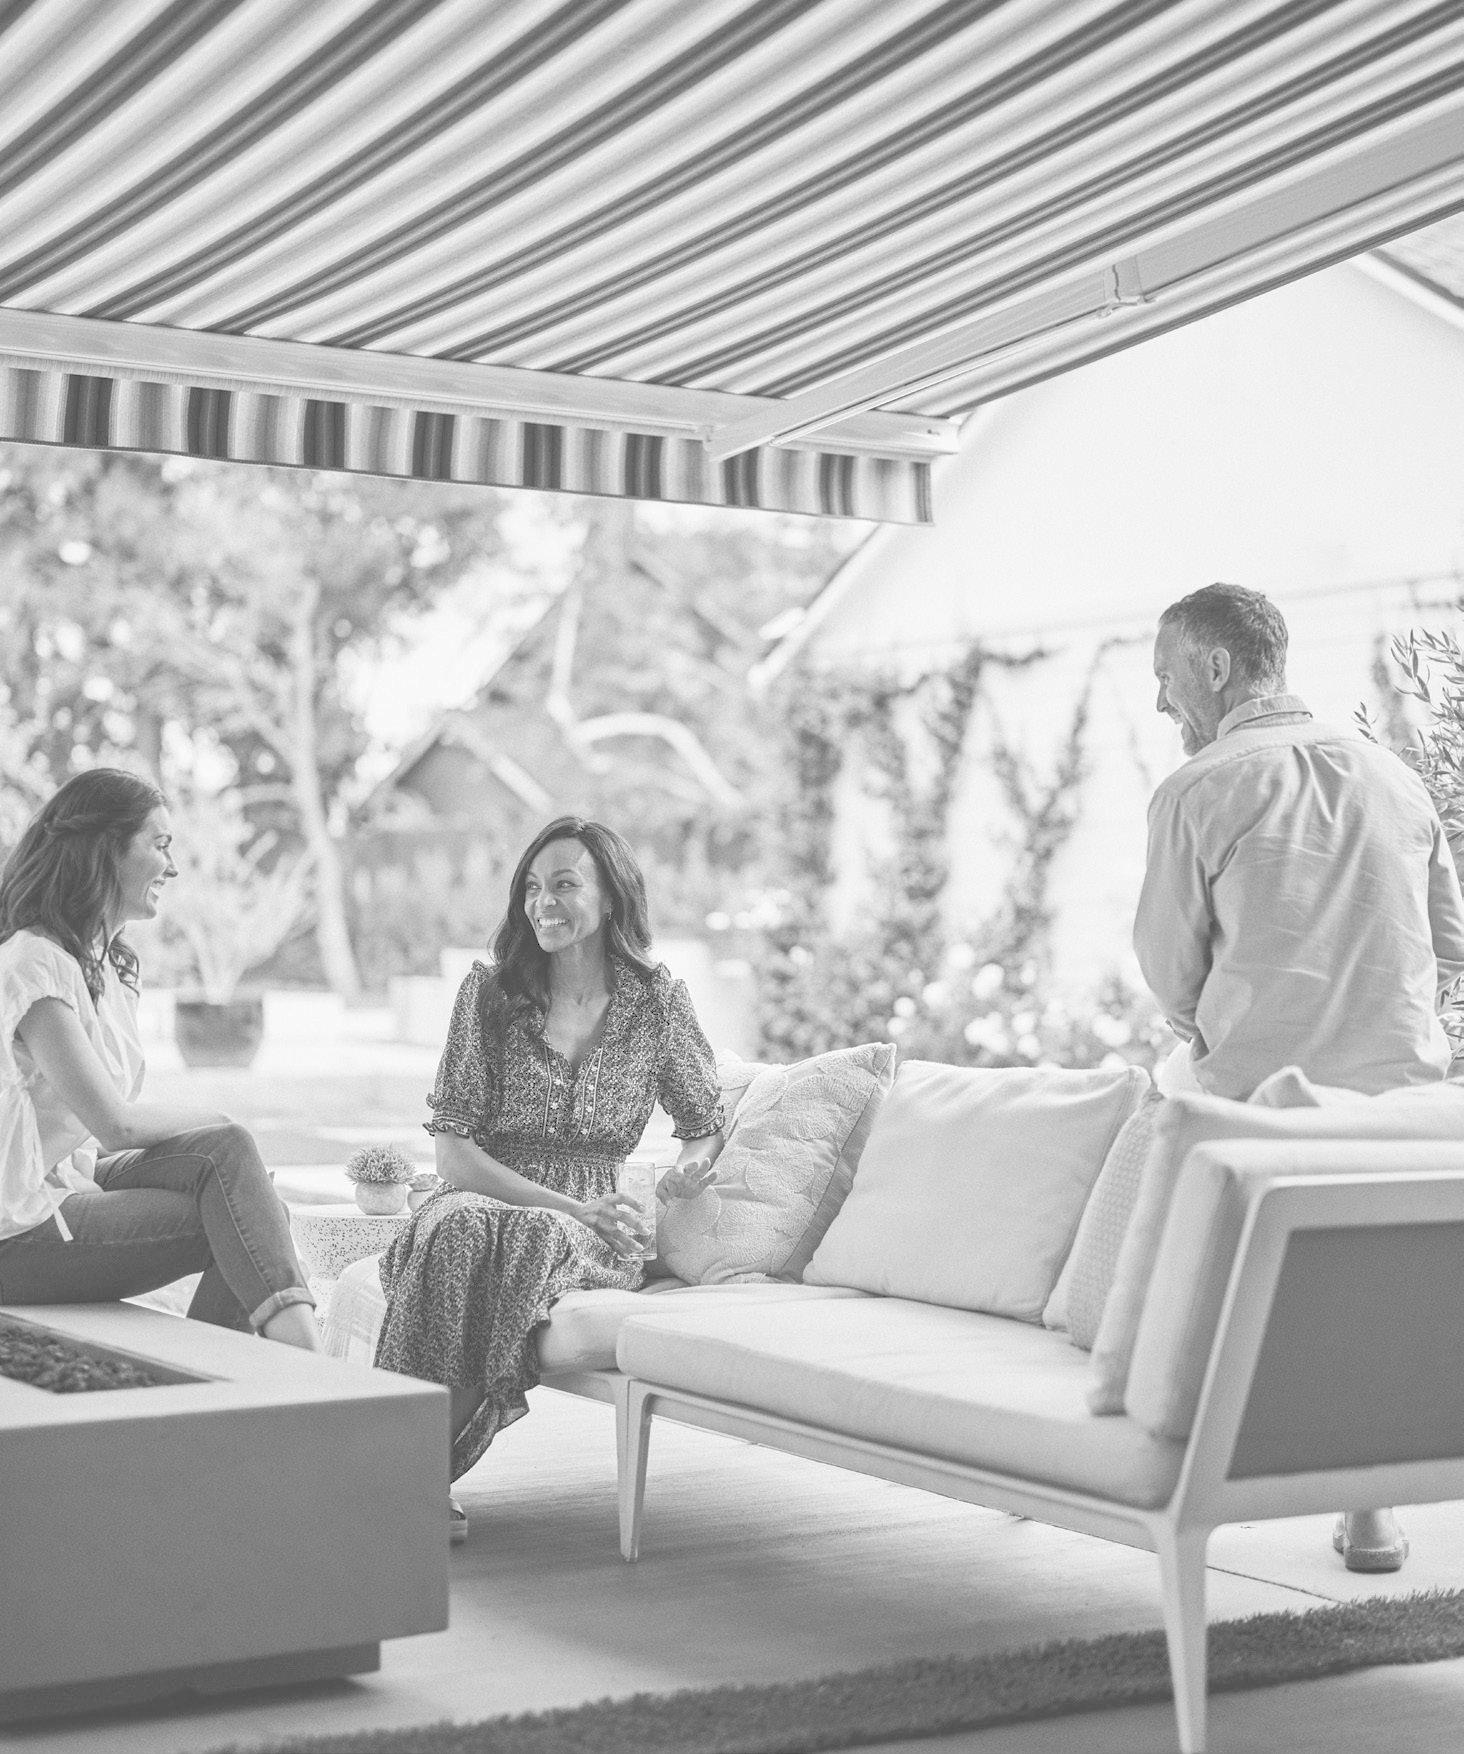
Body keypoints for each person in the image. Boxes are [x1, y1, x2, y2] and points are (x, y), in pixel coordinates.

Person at [1136, 581, 1464, 1575]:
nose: (1162, 701)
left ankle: (1145, 1447)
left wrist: (1220, 1028)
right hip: (1400, 1108)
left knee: (1156, 1146)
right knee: (1370, 1288)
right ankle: (1370, 1512)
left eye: (1166, 676)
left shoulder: (1196, 788)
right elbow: (1450, 944)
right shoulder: (1394, 778)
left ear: (1217, 666)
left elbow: (1169, 972)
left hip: (1262, 1107)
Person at [374, 817, 725, 1539]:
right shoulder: (489, 993)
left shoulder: (657, 1003)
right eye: (532, 888)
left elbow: (703, 1124)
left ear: (611, 896)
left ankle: (402, 1476)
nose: (543, 903)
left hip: (594, 1226)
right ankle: (398, 1466)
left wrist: (688, 1172)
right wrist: (569, 1206)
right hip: (483, 1193)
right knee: (459, 1229)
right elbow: (453, 1156)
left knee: (530, 1236)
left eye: (564, 884)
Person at [0, 768, 322, 1352]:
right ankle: (297, 1364)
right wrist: (221, 1122)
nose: (172, 868)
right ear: (106, 849)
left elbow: (94, 1138)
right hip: (15, 1225)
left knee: (241, 1183)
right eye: (160, 844)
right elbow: (116, 1125)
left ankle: (255, 1371)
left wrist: (218, 1142)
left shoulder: (103, 966)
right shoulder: (35, 963)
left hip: (67, 1181)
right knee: (242, 1206)